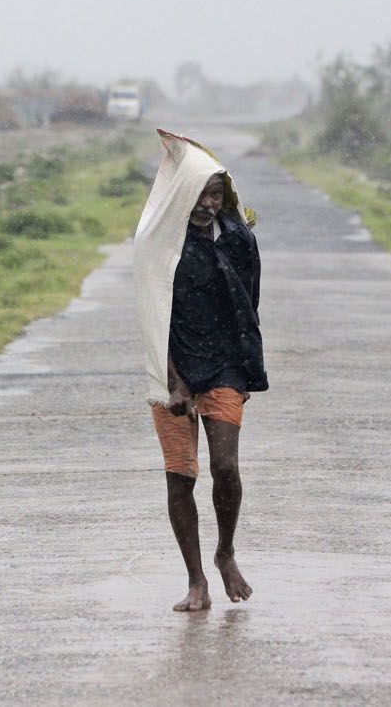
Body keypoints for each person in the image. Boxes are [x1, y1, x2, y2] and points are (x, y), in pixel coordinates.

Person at [133, 131, 266, 612]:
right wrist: (173, 381)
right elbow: (153, 316)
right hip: (172, 369)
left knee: (225, 467)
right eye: (199, 193)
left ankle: (225, 552)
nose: (208, 203)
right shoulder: (156, 244)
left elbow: (249, 305)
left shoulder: (238, 240)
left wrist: (246, 372)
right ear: (181, 196)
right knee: (180, 477)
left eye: (216, 194)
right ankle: (196, 581)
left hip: (225, 366)